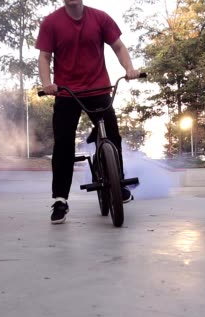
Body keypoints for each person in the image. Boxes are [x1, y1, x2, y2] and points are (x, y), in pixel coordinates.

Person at [36, 0, 141, 224]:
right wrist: (47, 83)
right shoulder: (51, 22)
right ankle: (60, 200)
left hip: (98, 89)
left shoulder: (100, 18)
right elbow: (44, 57)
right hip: (66, 93)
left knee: (113, 135)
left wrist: (129, 69)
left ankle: (118, 183)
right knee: (63, 144)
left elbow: (119, 46)